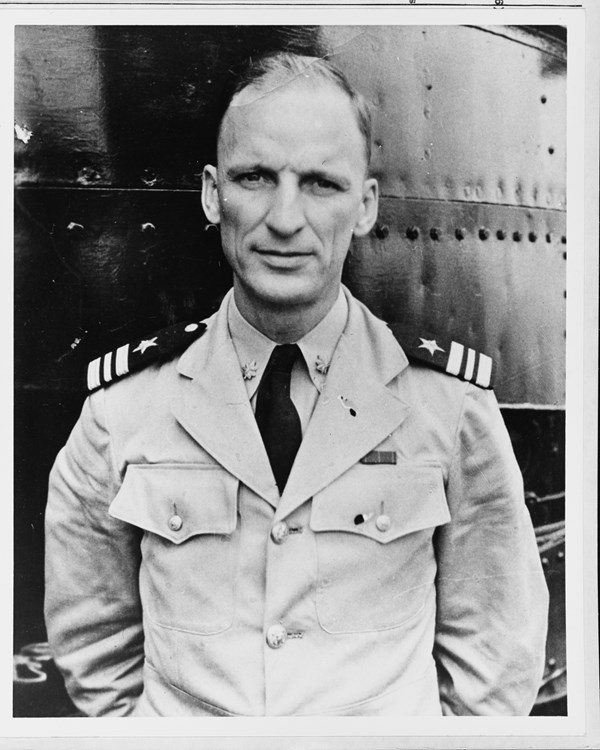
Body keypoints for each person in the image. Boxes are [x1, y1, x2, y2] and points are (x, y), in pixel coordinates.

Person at [44, 51, 549, 717]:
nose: (285, 218)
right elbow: (93, 639)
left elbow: (496, 648)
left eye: (321, 184)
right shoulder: (124, 407)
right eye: (255, 177)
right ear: (210, 192)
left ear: (365, 206)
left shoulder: (447, 404)